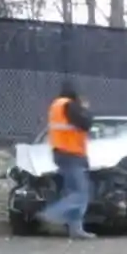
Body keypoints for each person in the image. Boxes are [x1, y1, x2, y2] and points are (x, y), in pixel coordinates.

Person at [39, 80, 96, 239]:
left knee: (72, 191)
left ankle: (76, 229)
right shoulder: (70, 106)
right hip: (72, 154)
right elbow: (86, 123)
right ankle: (52, 213)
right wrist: (85, 108)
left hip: (61, 153)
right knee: (81, 193)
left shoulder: (56, 105)